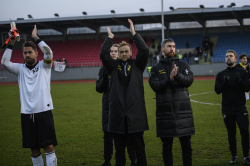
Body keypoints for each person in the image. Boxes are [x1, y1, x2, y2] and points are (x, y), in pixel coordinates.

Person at [1, 25, 57, 166]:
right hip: (27, 114)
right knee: (34, 149)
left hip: (44, 112)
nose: (27, 55)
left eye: (30, 52)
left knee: (49, 147)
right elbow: (4, 62)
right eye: (25, 53)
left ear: (36, 53)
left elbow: (48, 52)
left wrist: (36, 38)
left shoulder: (45, 66)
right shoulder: (20, 69)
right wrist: (12, 41)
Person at [100, 19, 149, 166]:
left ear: (131, 52)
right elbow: (103, 54)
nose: (124, 53)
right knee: (119, 153)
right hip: (118, 115)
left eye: (126, 51)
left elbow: (145, 50)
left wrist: (134, 33)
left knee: (140, 150)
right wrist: (109, 38)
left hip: (136, 115)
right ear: (119, 54)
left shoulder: (138, 65)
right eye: (121, 52)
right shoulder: (112, 67)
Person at [149, 38, 195, 166]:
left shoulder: (183, 65)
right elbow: (155, 86)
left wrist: (177, 76)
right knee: (167, 147)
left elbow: (189, 80)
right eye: (169, 46)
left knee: (187, 146)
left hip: (183, 112)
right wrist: (169, 80)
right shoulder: (156, 69)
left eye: (173, 46)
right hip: (165, 113)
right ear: (162, 49)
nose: (172, 48)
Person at [96, 44, 136, 166]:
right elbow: (98, 88)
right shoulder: (103, 69)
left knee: (128, 136)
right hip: (108, 107)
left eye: (115, 51)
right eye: (111, 51)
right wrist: (105, 79)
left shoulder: (125, 67)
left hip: (123, 108)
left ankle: (133, 161)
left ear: (118, 53)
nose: (113, 53)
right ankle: (107, 161)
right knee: (107, 137)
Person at [215, 50, 250, 165]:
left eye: (231, 56)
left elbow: (246, 88)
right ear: (225, 59)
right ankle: (234, 156)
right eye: (226, 56)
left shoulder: (243, 73)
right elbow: (217, 91)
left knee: (244, 131)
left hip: (240, 108)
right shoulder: (221, 74)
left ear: (235, 59)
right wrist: (225, 82)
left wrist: (240, 82)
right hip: (227, 108)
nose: (228, 58)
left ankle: (246, 156)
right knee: (231, 133)